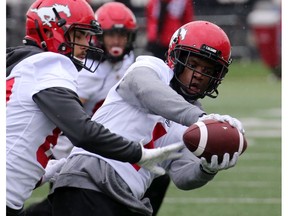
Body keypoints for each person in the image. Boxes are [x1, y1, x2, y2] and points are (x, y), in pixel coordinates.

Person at [50, 20, 245, 216]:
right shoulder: (154, 68)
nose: (199, 75)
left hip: (129, 198)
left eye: (208, 71)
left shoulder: (195, 121)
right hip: (91, 177)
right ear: (176, 58)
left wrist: (206, 170)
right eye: (193, 65)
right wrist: (200, 119)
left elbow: (182, 175)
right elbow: (145, 88)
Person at [6, 0, 183, 215]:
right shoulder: (48, 66)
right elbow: (82, 131)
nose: (86, 44)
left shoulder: (26, 66)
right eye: (79, 36)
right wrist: (137, 153)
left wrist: (41, 171)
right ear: (51, 30)